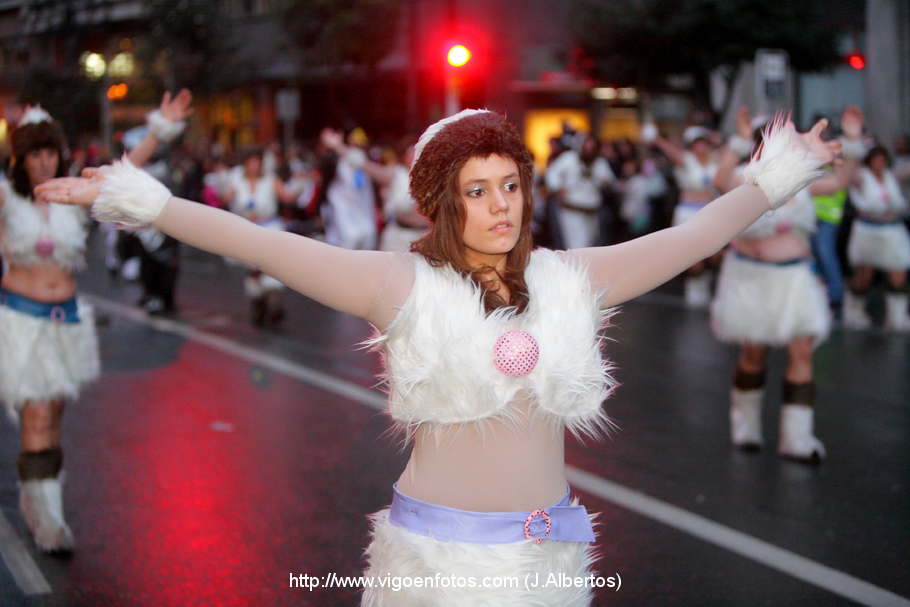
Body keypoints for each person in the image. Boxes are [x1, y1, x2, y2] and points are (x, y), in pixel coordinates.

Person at [37, 109, 839, 605]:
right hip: (436, 562)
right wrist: (146, 202)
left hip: (549, 555)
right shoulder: (400, 283)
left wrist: (784, 171)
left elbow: (696, 234)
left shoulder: (570, 277)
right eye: (477, 190)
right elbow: (260, 242)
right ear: (444, 203)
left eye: (510, 185)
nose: (500, 205)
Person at [0, 91, 192, 553]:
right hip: (20, 321)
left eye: (49, 152)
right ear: (21, 159)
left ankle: (38, 501)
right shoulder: (6, 198)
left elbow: (124, 173)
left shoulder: (72, 195)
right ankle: (49, 521)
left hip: (65, 322)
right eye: (34, 154)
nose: (43, 162)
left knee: (53, 414)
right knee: (37, 412)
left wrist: (159, 130)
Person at [713, 106, 863, 462]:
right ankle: (745, 429)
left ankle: (797, 440)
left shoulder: (802, 178)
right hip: (751, 279)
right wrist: (737, 140)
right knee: (753, 354)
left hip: (795, 279)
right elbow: (720, 180)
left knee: (802, 353)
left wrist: (853, 142)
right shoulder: (745, 177)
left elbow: (840, 182)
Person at [225, 148, 299, 327]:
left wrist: (301, 183)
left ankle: (274, 305)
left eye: (257, 162)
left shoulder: (270, 180)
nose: (254, 166)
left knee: (271, 267)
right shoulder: (237, 180)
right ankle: (258, 305)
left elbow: (287, 197)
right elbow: (225, 198)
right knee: (253, 269)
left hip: (269, 229)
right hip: (247, 230)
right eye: (251, 162)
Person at [648, 124, 720, 307]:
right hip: (688, 212)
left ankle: (705, 284)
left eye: (704, 143)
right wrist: (658, 138)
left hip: (710, 211)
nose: (702, 147)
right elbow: (671, 151)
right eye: (698, 143)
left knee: (713, 253)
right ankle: (693, 288)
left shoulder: (716, 160)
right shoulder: (686, 160)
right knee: (692, 255)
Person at [842, 145, 910, 330]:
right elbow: (846, 174)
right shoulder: (861, 177)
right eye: (876, 159)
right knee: (864, 275)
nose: (880, 163)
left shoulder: (890, 176)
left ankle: (897, 317)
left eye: (882, 160)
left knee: (898, 272)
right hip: (868, 230)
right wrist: (853, 145)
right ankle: (854, 313)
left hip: (892, 230)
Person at [545, 134, 615, 249]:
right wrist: (557, 188)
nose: (589, 149)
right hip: (572, 209)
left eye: (592, 147)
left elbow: (610, 180)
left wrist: (606, 182)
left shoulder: (599, 162)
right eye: (587, 146)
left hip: (591, 210)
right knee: (577, 243)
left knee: (590, 243)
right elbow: (552, 173)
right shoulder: (569, 158)